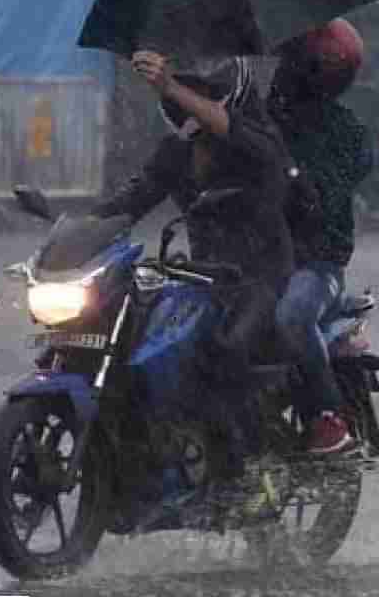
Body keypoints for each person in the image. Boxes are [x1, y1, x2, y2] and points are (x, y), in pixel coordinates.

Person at [91, 49, 295, 468]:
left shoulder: (261, 141)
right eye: (180, 90)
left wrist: (170, 86)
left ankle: (243, 466)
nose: (184, 101)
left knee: (224, 347)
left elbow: (243, 138)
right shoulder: (177, 150)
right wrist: (77, 227)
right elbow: (134, 198)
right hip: (200, 277)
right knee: (130, 338)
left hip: (256, 276)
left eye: (199, 92)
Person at [269, 18, 379, 455]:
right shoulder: (267, 118)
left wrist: (301, 183)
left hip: (316, 266)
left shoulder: (347, 134)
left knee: (292, 317)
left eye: (293, 62)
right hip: (256, 258)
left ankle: (327, 418)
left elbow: (328, 188)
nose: (282, 71)